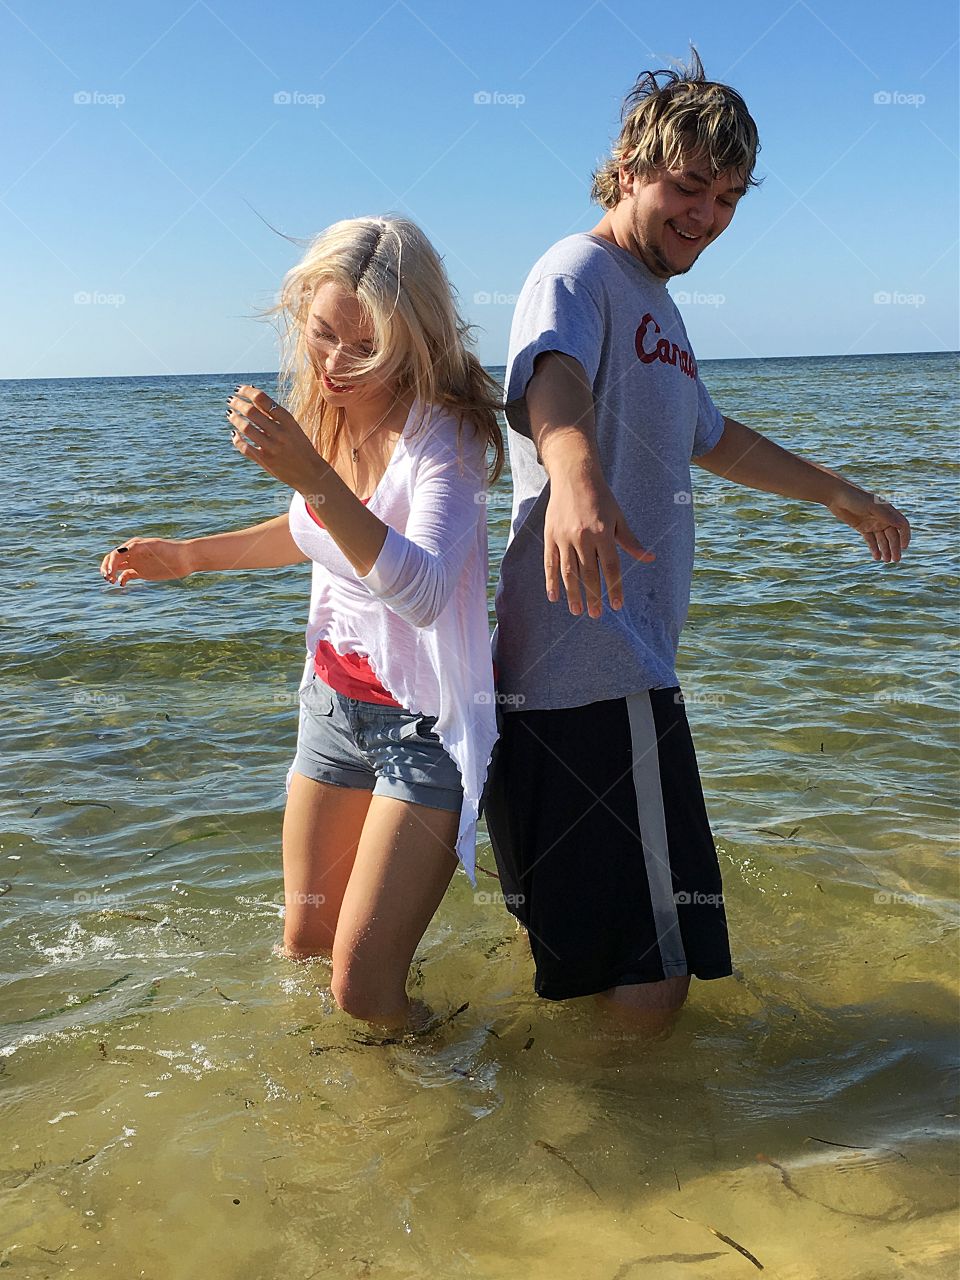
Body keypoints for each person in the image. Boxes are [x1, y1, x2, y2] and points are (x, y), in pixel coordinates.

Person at [483, 52, 911, 1034]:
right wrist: (575, 475)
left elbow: (712, 435)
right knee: (656, 966)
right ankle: (637, 1169)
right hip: (595, 667)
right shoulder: (578, 270)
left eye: (725, 198)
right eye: (687, 187)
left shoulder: (660, 308)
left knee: (589, 958)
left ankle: (545, 1147)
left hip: (593, 674)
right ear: (631, 164)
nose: (706, 215)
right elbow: (547, 375)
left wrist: (837, 493)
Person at [100, 215, 504, 1031]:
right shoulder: (328, 412)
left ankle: (461, 1090)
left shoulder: (446, 437)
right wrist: (187, 557)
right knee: (305, 943)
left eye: (366, 347)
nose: (336, 364)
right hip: (331, 712)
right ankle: (348, 1131)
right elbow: (313, 533)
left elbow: (421, 588)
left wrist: (313, 476)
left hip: (422, 732)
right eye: (323, 336)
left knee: (363, 991)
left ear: (412, 335)